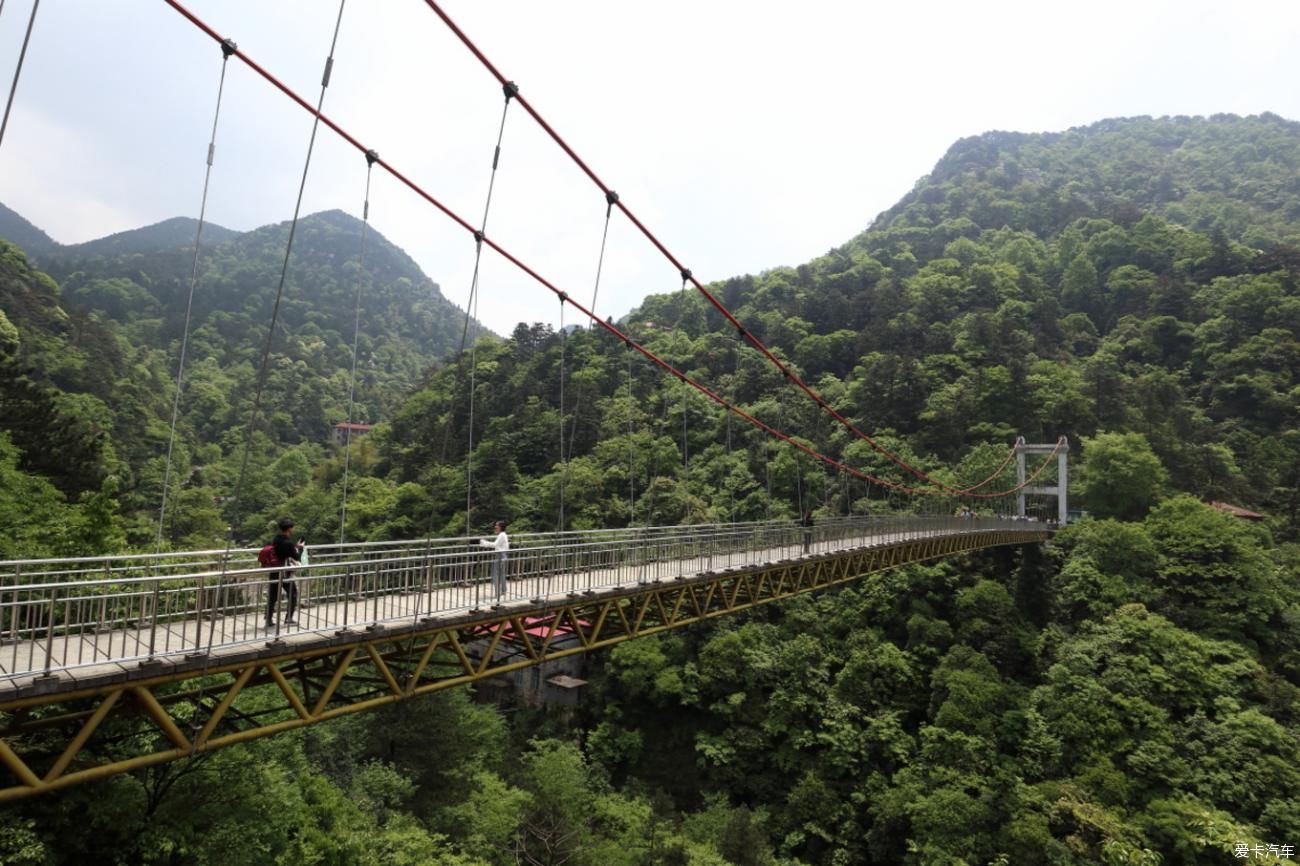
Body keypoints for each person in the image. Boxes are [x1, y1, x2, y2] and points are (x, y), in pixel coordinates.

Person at [265, 517, 304, 629]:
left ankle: (268, 620)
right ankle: (289, 618)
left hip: (274, 570)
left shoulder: (276, 539)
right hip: (285, 572)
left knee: (273, 595)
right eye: (293, 527)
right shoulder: (288, 542)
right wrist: (300, 548)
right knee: (293, 593)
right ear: (289, 529)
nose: (294, 529)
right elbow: (296, 557)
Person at [478, 520, 510, 600]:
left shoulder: (502, 535)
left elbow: (495, 545)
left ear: (501, 527)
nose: (495, 527)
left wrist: (484, 542)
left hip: (500, 555)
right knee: (501, 574)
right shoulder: (502, 535)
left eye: (497, 525)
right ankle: (503, 590)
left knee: (495, 574)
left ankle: (497, 593)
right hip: (503, 555)